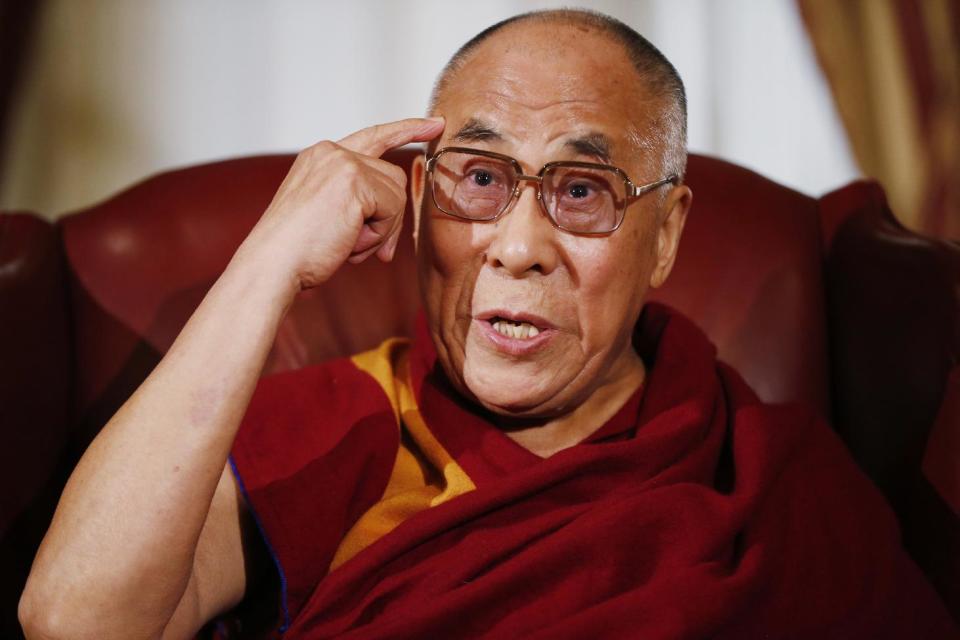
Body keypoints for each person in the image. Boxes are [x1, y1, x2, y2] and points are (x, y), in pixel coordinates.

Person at [18, 9, 956, 640]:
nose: (517, 247)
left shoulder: (761, 474)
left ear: (666, 235)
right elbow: (74, 623)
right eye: (480, 178)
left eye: (583, 190)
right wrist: (267, 260)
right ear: (422, 197)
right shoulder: (341, 430)